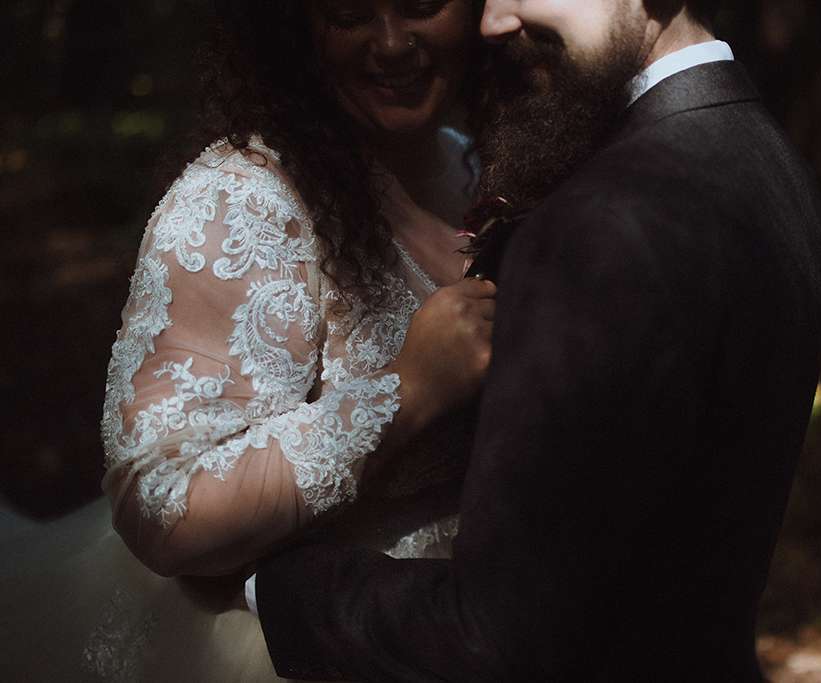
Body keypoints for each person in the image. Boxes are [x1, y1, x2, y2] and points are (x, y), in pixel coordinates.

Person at [251, 0, 821, 681]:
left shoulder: (600, 222)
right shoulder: (764, 154)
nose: (492, 21)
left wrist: (274, 587)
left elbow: (494, 637)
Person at [0, 0, 493, 680]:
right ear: (292, 24)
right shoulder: (241, 201)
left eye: (420, 4)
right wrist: (401, 395)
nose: (390, 43)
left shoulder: (475, 165)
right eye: (350, 11)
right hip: (290, 648)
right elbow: (164, 501)